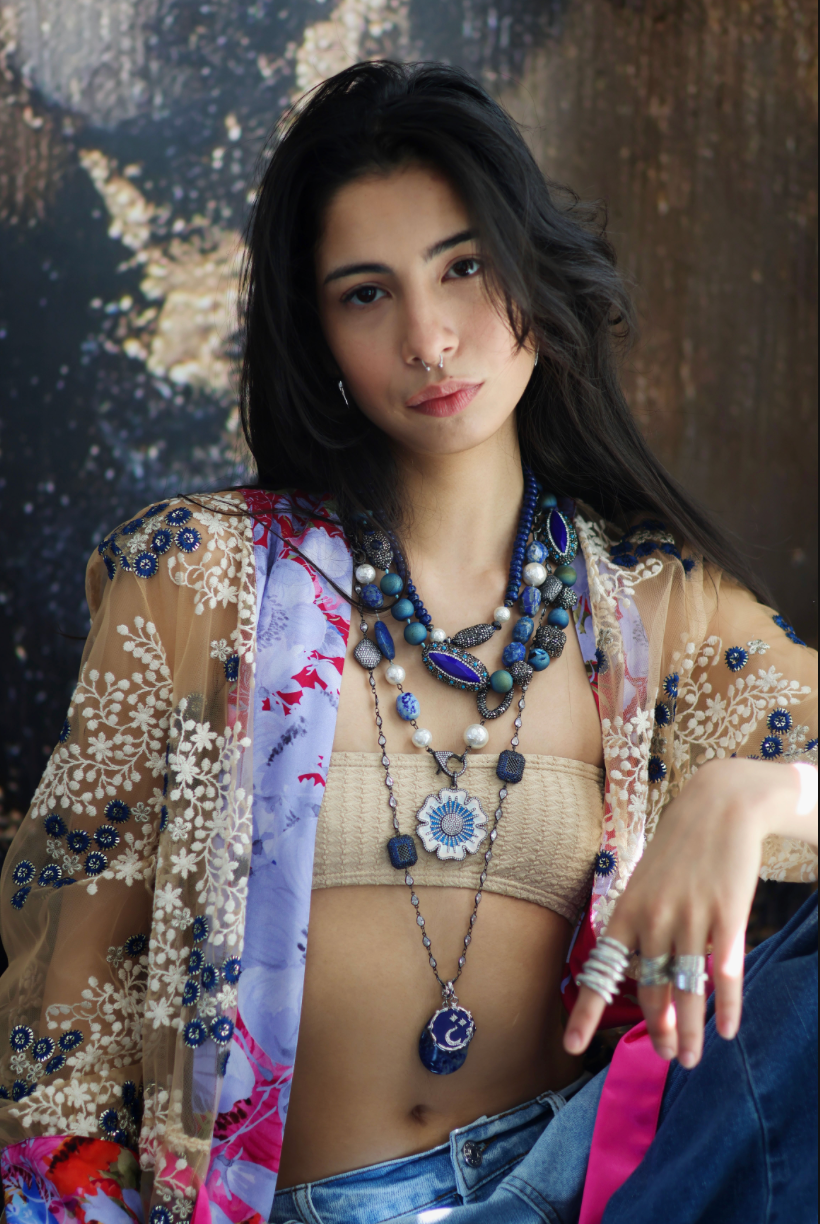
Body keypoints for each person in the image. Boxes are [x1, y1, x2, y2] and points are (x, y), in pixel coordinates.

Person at [0, 61, 816, 1224]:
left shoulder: (654, 604)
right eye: (367, 293)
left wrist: (750, 794)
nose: (432, 340)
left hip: (589, 1182)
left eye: (464, 267)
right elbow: (65, 997)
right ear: (319, 332)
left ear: (531, 270)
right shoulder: (198, 575)